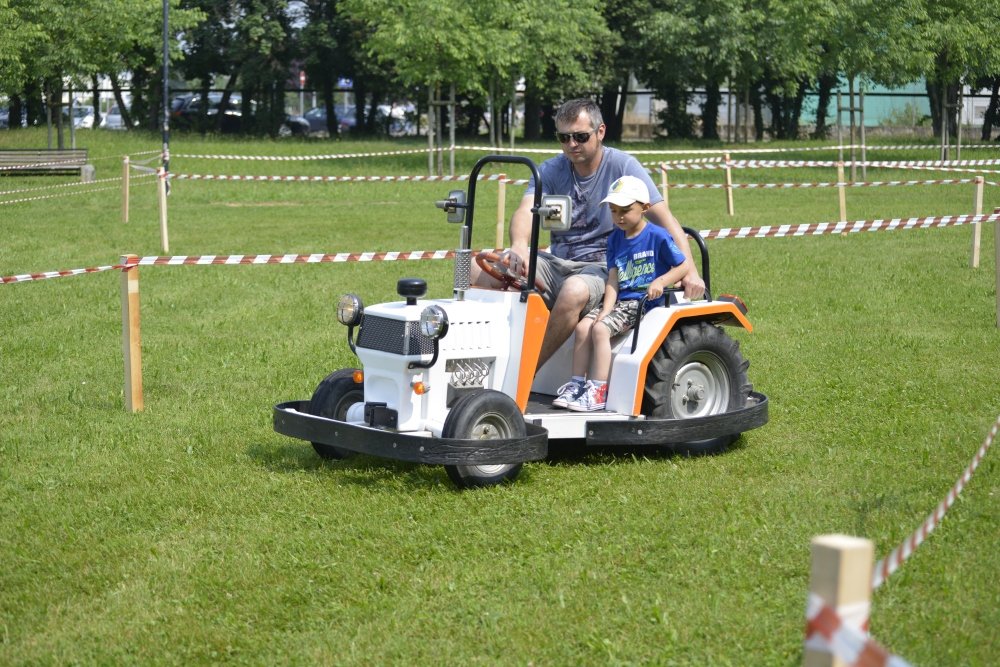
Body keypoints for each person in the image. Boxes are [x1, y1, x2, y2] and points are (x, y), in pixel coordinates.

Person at [473, 98, 705, 371]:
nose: (571, 144)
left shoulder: (623, 166)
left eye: (580, 137)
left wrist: (690, 271)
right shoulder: (550, 170)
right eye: (564, 137)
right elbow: (525, 211)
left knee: (573, 290)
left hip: (605, 269)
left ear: (600, 132)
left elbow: (666, 220)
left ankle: (523, 375)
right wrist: (520, 245)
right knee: (477, 270)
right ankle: (480, 366)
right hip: (557, 263)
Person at [553, 175, 693, 411]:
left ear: (644, 208)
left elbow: (683, 265)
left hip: (644, 302)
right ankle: (577, 385)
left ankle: (598, 391)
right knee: (583, 327)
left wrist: (660, 281)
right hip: (621, 302)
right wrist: (606, 309)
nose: (619, 217)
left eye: (625, 210)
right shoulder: (615, 239)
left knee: (600, 329)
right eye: (613, 210)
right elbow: (613, 279)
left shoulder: (657, 236)